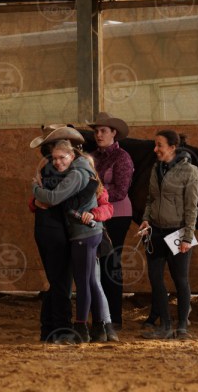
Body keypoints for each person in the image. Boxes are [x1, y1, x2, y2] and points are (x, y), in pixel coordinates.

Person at [29, 125, 117, 343]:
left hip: (77, 232)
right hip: (67, 232)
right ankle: (76, 327)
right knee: (74, 282)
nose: (57, 159)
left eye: (62, 154)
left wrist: (94, 214)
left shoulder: (78, 171)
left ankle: (91, 326)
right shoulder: (52, 169)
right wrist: (37, 199)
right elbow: (48, 201)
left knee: (80, 281)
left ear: (72, 153)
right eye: (54, 154)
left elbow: (103, 204)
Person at [138, 130, 198, 340]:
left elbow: (192, 207)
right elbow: (150, 199)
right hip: (155, 231)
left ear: (173, 148)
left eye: (159, 145)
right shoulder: (156, 168)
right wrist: (146, 219)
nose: (155, 149)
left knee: (180, 280)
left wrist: (187, 237)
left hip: (178, 231)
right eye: (155, 145)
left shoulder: (190, 172)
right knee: (155, 279)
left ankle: (182, 327)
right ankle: (164, 325)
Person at [87, 112, 134, 329]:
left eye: (103, 131)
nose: (99, 135)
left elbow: (121, 191)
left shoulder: (122, 157)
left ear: (114, 133)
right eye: (96, 131)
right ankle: (100, 315)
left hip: (117, 215)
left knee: (111, 263)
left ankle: (114, 317)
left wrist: (94, 198)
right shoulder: (91, 156)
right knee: (95, 264)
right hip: (97, 213)